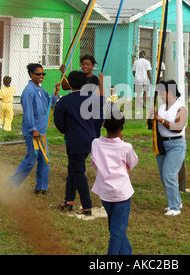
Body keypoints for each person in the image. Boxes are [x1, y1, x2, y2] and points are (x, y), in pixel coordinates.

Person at [54, 71, 105, 215]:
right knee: (73, 169)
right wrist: (101, 83)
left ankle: (87, 206)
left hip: (74, 141)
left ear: (69, 84)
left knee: (78, 172)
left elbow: (58, 122)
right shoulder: (90, 99)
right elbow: (102, 103)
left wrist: (67, 130)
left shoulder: (64, 101)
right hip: (89, 139)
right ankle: (69, 200)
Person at [7, 63, 60, 194]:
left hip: (41, 132)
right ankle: (10, 185)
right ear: (31, 74)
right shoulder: (28, 91)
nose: (41, 76)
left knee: (45, 159)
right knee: (31, 159)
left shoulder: (40, 90)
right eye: (38, 74)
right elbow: (28, 112)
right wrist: (33, 129)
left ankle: (41, 188)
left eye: (43, 74)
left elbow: (49, 104)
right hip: (34, 132)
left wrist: (55, 93)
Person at [91, 111, 138, 255]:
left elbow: (94, 164)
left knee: (115, 228)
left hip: (105, 192)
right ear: (122, 128)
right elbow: (133, 163)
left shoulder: (96, 143)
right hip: (121, 194)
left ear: (104, 125)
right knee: (117, 230)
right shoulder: (126, 147)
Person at [153, 80, 188, 216]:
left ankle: (174, 208)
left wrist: (161, 120)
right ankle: (177, 202)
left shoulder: (181, 108)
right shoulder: (162, 108)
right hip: (162, 145)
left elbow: (178, 128)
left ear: (171, 92)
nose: (161, 95)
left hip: (176, 145)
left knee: (169, 175)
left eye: (163, 92)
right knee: (164, 177)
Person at [60, 55, 104, 137]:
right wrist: (63, 73)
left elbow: (99, 99)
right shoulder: (78, 77)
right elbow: (66, 87)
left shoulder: (94, 79)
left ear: (92, 66)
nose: (85, 66)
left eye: (88, 65)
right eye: (83, 64)